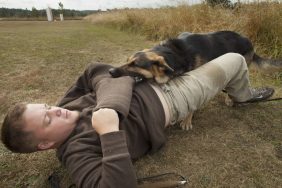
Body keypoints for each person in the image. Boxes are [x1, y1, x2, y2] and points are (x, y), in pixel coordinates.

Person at [1, 53, 274, 188]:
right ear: (45, 143)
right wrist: (109, 132)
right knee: (235, 59)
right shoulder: (76, 153)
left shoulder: (66, 106)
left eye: (47, 106)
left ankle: (232, 89)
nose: (55, 110)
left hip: (153, 73)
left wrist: (109, 107)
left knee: (200, 47)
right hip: (173, 98)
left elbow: (96, 72)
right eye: (47, 119)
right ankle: (242, 96)